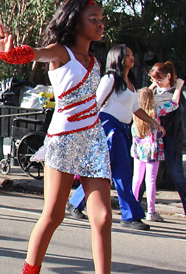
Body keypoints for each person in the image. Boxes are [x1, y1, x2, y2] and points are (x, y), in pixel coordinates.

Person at [0, 0, 123, 274]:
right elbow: (29, 54)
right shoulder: (61, 52)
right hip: (63, 140)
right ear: (76, 20)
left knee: (104, 216)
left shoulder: (94, 62)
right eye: (93, 17)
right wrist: (8, 50)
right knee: (53, 214)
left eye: (101, 18)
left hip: (93, 142)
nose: (100, 22)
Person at [66, 45, 164, 230]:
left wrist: (154, 123)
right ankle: (130, 216)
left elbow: (135, 108)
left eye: (132, 54)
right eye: (128, 55)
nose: (131, 58)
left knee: (104, 172)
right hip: (109, 129)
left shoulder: (130, 82)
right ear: (117, 58)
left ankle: (75, 202)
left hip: (122, 130)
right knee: (122, 173)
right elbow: (95, 105)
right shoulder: (110, 79)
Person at [149, 61, 186, 217]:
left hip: (171, 138)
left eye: (159, 79)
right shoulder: (154, 92)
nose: (157, 82)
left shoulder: (178, 93)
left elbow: (175, 105)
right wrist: (152, 87)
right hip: (152, 139)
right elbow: (141, 97)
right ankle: (138, 209)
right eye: (154, 80)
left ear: (169, 76)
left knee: (176, 174)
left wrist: (178, 87)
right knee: (147, 176)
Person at [132, 88, 165, 222]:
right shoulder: (156, 111)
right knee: (151, 180)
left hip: (138, 150)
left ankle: (132, 207)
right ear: (151, 98)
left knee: (137, 179)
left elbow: (143, 95)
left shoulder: (134, 112)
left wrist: (150, 87)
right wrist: (179, 88)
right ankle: (151, 211)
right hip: (153, 151)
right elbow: (174, 104)